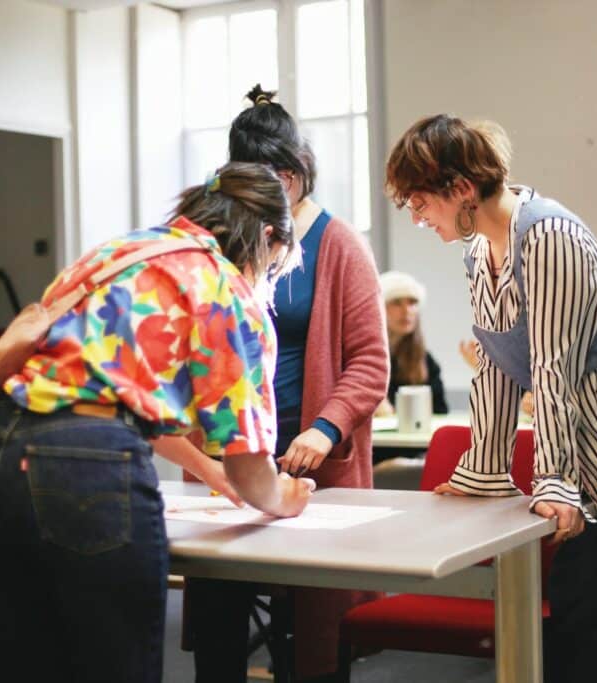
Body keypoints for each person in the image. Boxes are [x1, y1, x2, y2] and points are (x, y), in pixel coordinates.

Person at [386, 114, 597, 683]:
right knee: (579, 615)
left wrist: (554, 480)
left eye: (419, 203)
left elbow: (553, 366)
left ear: (461, 189)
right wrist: (483, 469)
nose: (417, 218)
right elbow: (495, 366)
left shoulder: (548, 235)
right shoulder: (479, 251)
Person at [0, 162, 315, 682]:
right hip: (86, 473)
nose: (266, 276)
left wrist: (207, 470)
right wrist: (283, 497)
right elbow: (250, 464)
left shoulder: (118, 254)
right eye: (273, 264)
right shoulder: (223, 284)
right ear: (267, 237)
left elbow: (110, 393)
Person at [185, 85, 388, 683]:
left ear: (294, 176)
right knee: (220, 621)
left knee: (309, 642)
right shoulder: (231, 242)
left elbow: (370, 362)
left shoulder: (339, 244)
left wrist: (325, 428)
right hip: (231, 457)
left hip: (312, 465)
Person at [376, 270, 449, 416]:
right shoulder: (362, 357)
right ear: (379, 307)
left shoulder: (426, 361)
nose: (407, 311)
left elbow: (440, 412)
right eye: (396, 303)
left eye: (412, 303)